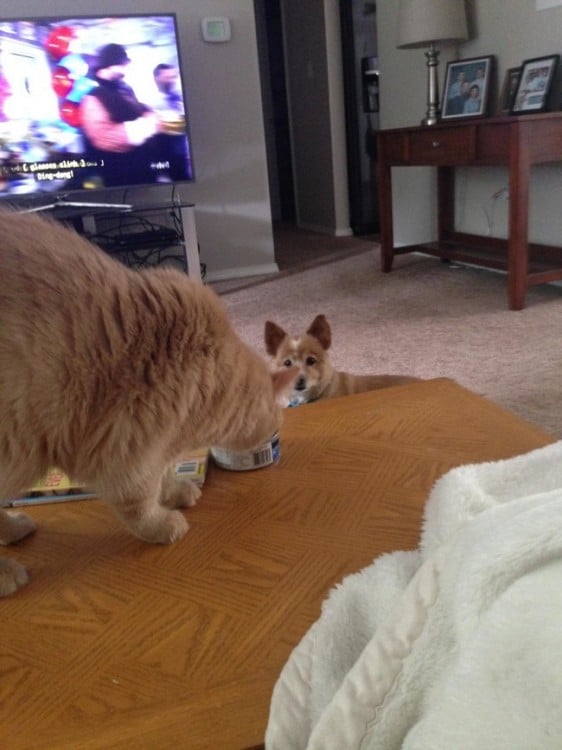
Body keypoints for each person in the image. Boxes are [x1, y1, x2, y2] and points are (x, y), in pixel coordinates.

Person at [80, 43, 161, 186]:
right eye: (123, 63)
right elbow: (102, 137)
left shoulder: (123, 86)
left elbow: (136, 106)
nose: (126, 67)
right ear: (111, 64)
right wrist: (148, 126)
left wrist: (150, 112)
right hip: (121, 173)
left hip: (142, 165)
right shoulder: (92, 96)